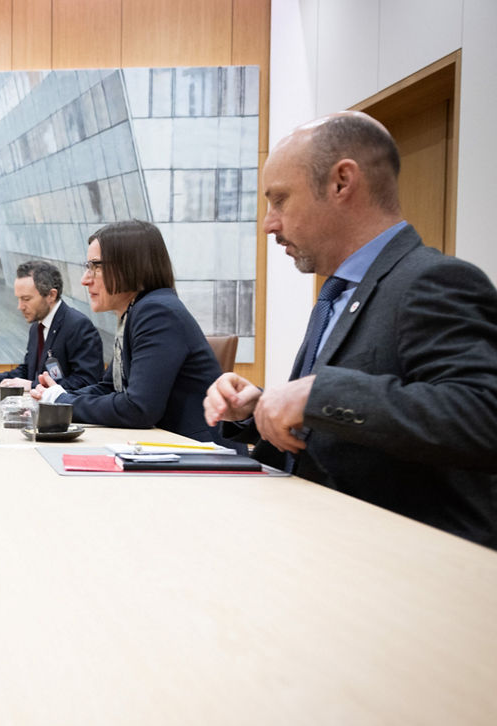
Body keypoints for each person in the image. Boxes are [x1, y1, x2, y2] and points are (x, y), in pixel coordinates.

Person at [204, 112, 497, 548]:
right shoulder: (338, 293)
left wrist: (316, 394)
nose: (268, 223)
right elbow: (343, 421)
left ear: (342, 182)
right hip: (312, 537)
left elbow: (482, 415)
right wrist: (260, 408)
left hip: (397, 561)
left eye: (280, 200)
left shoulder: (434, 280)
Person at [33, 220, 232, 447]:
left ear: (131, 266)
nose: (85, 279)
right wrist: (58, 394)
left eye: (96, 266)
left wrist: (63, 402)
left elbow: (139, 408)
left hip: (200, 454)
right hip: (166, 447)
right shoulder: (135, 312)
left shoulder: (157, 312)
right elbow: (109, 387)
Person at [0, 259, 101, 392]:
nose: (20, 307)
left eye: (26, 299)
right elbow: (27, 371)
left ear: (51, 295)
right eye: (18, 299)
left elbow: (87, 382)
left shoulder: (79, 326)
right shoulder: (36, 327)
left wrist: (33, 386)